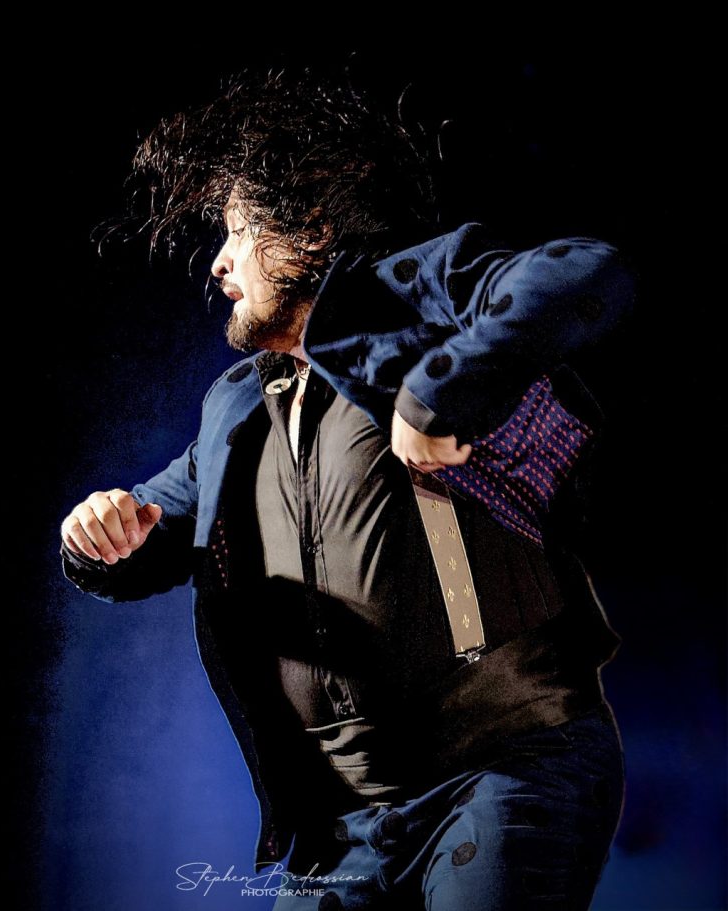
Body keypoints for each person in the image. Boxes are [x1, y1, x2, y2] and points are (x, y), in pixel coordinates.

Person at [59, 68, 638, 910]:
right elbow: (148, 529)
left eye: (239, 232)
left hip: (504, 765)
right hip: (338, 824)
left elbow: (581, 273)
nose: (219, 262)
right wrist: (98, 531)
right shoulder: (236, 405)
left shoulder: (411, 292)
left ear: (311, 228)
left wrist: (443, 389)